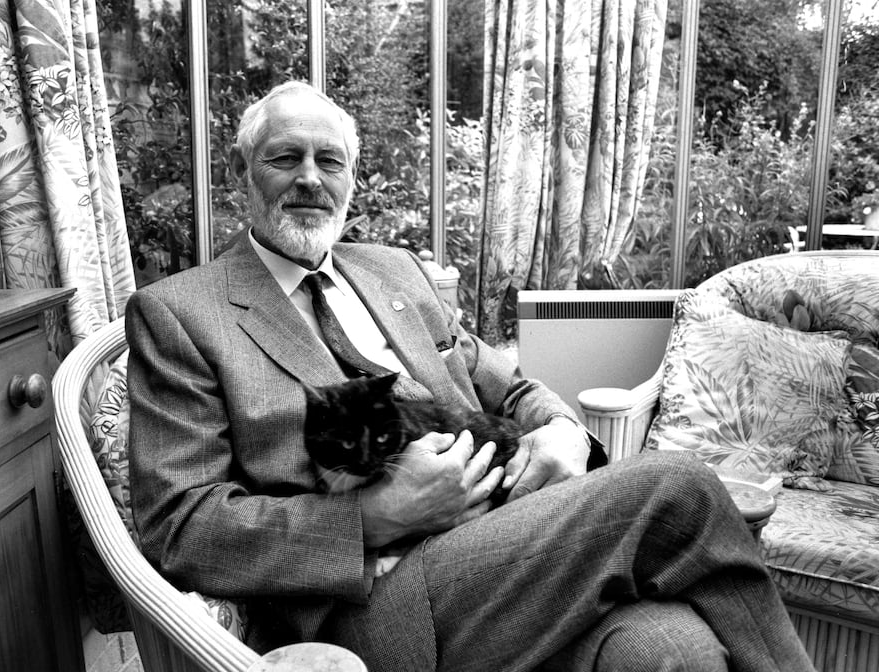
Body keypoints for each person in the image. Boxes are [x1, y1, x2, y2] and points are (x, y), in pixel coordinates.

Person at [126, 80, 814, 672]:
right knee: (679, 483)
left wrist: (565, 432)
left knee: (672, 649)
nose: (310, 177)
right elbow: (179, 526)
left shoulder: (393, 271)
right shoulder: (181, 313)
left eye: (328, 160)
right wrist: (367, 516)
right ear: (245, 172)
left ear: (350, 178)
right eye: (285, 157)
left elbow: (507, 386)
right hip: (373, 600)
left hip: (508, 540)